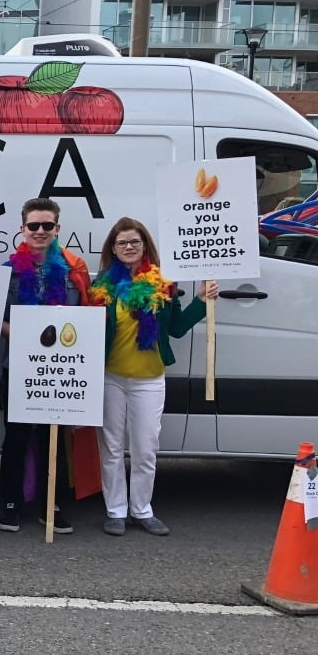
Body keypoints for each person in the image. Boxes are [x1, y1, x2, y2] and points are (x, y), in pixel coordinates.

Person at [89, 218, 217, 536]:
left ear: (145, 245)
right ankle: (115, 511)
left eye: (135, 242)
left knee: (146, 448)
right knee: (111, 447)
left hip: (149, 378)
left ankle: (142, 510)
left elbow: (175, 329)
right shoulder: (101, 286)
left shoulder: (163, 284)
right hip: (110, 376)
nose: (129, 247)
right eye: (122, 243)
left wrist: (202, 301)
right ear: (113, 249)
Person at [0, 197, 92, 534]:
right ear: (22, 229)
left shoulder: (73, 270)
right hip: (19, 365)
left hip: (60, 367)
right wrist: (25, 336)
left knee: (54, 438)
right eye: (33, 226)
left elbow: (84, 317)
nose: (40, 231)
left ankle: (52, 503)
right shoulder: (8, 271)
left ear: (57, 229)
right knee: (17, 437)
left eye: (46, 226)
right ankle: (11, 503)